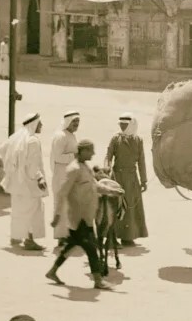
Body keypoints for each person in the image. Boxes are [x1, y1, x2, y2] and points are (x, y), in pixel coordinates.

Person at [47, 139, 112, 291]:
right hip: (79, 217)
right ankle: (98, 280)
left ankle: (52, 271)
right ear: (82, 151)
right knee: (91, 247)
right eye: (90, 150)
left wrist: (111, 191)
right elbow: (62, 193)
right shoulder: (74, 169)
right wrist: (57, 216)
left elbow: (94, 186)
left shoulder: (85, 167)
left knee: (71, 245)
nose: (93, 153)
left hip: (86, 216)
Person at [0, 113, 47, 251]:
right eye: (40, 123)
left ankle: (15, 237)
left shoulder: (15, 138)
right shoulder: (32, 141)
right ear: (34, 124)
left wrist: (12, 169)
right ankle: (29, 240)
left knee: (18, 211)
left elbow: (2, 149)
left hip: (17, 184)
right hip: (29, 185)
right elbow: (32, 165)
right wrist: (39, 177)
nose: (42, 126)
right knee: (33, 211)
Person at [105, 114, 148, 245]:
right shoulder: (115, 138)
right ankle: (112, 237)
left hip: (132, 179)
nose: (122, 127)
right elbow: (108, 156)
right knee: (116, 206)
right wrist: (106, 169)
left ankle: (128, 237)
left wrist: (144, 180)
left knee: (130, 206)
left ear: (131, 125)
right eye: (121, 125)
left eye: (125, 125)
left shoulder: (138, 140)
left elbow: (141, 161)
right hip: (117, 177)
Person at [49, 111, 80, 201]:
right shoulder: (60, 136)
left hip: (69, 175)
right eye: (74, 121)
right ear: (68, 121)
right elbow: (58, 157)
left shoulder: (71, 135)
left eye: (78, 121)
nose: (77, 123)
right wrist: (74, 156)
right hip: (61, 175)